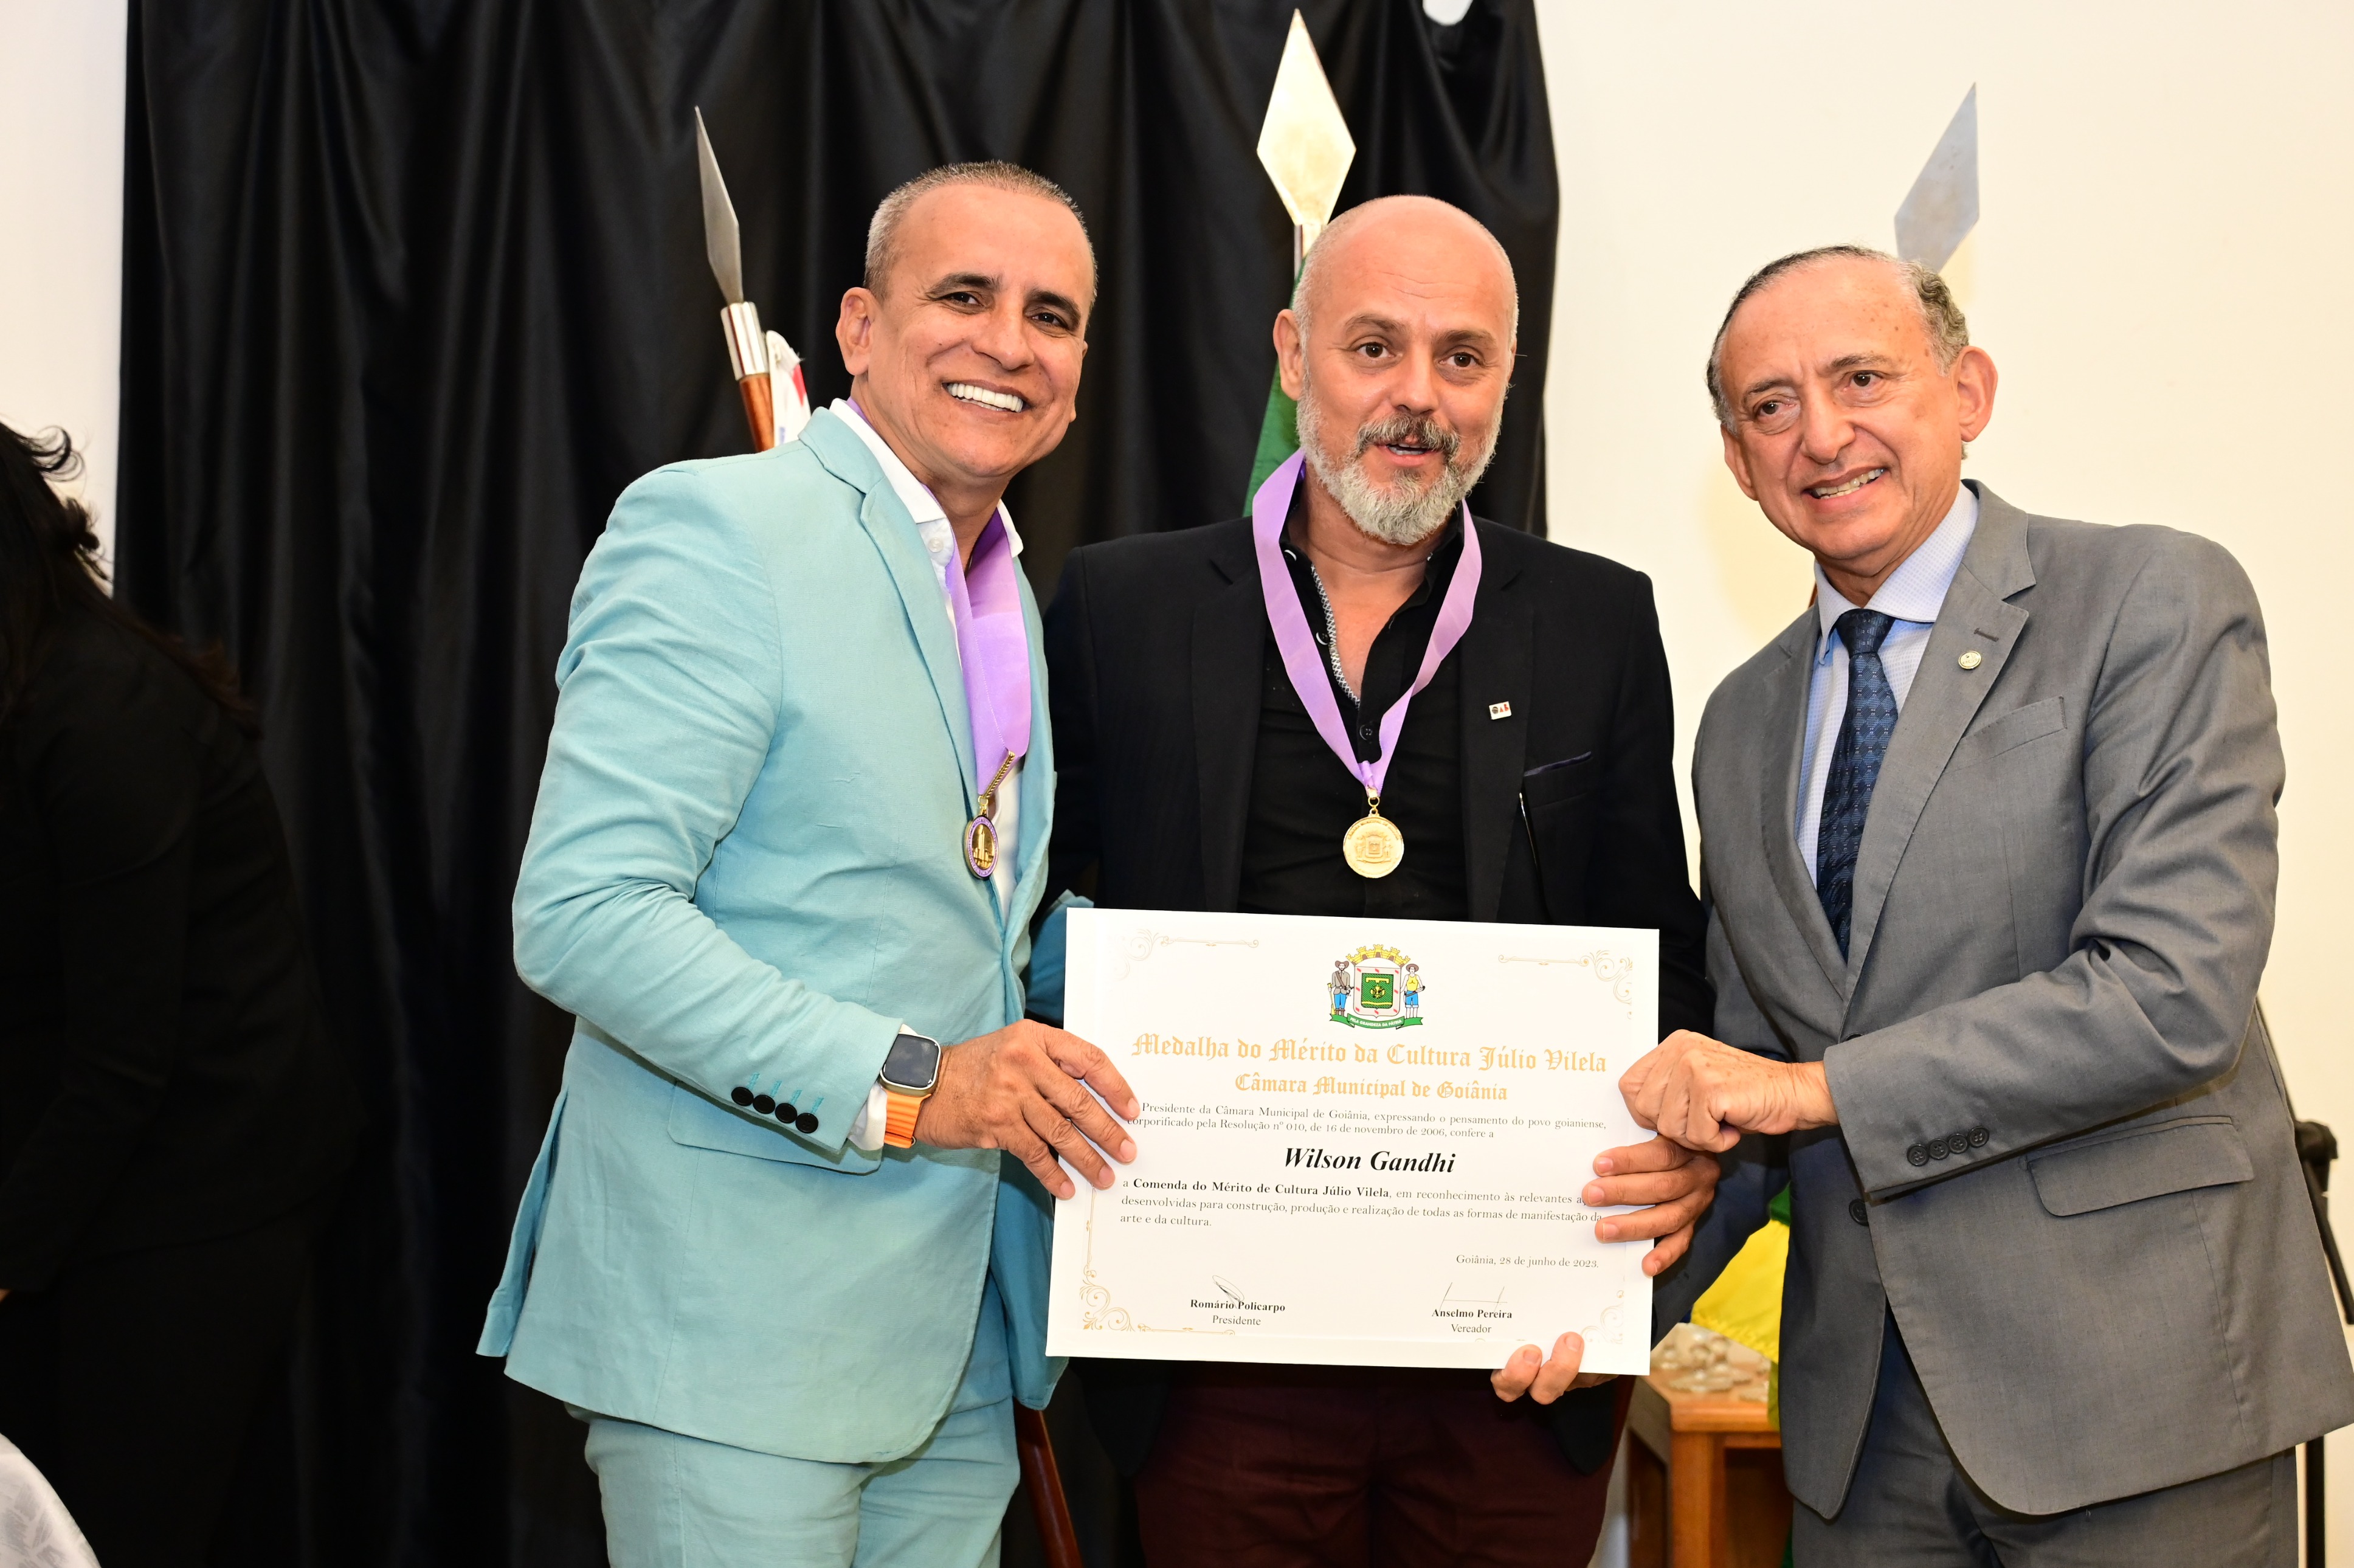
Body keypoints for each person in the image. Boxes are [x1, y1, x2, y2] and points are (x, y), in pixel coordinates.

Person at [1631, 245, 2354, 1565]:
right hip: (1863, 1432)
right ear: (1737, 462)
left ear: (1968, 392)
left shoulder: (2150, 599)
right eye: (1771, 406)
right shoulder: (1737, 724)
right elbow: (1747, 1075)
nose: (1821, 434)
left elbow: (2169, 994)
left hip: (2141, 1396)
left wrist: (1817, 1091)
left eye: (1862, 378)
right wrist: (1577, 1300)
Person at [1041, 195, 1719, 1566]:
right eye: (1374, 347)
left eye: (1463, 357)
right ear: (1294, 357)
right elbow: (1031, 930)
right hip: (1215, 1358)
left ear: (1507, 381)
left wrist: (1678, 1169)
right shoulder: (1124, 607)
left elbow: (1663, 960)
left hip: (1512, 1362)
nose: (1419, 395)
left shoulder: (1596, 619)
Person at [477, 162, 1138, 1567]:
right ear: (857, 327)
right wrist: (914, 1080)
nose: (1008, 342)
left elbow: (969, 922)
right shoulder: (721, 529)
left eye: (1052, 315)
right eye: (963, 295)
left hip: (957, 1339)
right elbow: (586, 914)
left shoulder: (1004, 589)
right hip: (734, 1334)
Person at [0, 421, 357, 1566]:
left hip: (194, 1188)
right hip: (79, 1162)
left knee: (108, 1532)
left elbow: (122, 1058)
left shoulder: (104, 712)